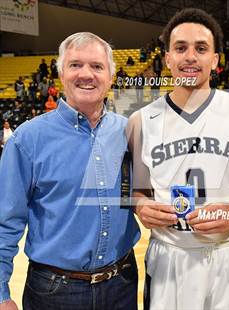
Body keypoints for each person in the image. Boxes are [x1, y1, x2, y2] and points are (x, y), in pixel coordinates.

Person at [126, 8, 229, 310]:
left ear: (215, 60)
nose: (190, 57)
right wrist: (140, 206)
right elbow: (139, 191)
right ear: (167, 58)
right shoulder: (140, 121)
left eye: (201, 48)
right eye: (180, 48)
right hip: (169, 256)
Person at [0, 32, 140, 310]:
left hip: (122, 284)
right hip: (54, 292)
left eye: (97, 66)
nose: (86, 74)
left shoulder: (130, 131)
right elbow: (5, 221)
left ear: (111, 76)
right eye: (75, 65)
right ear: (60, 73)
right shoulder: (27, 139)